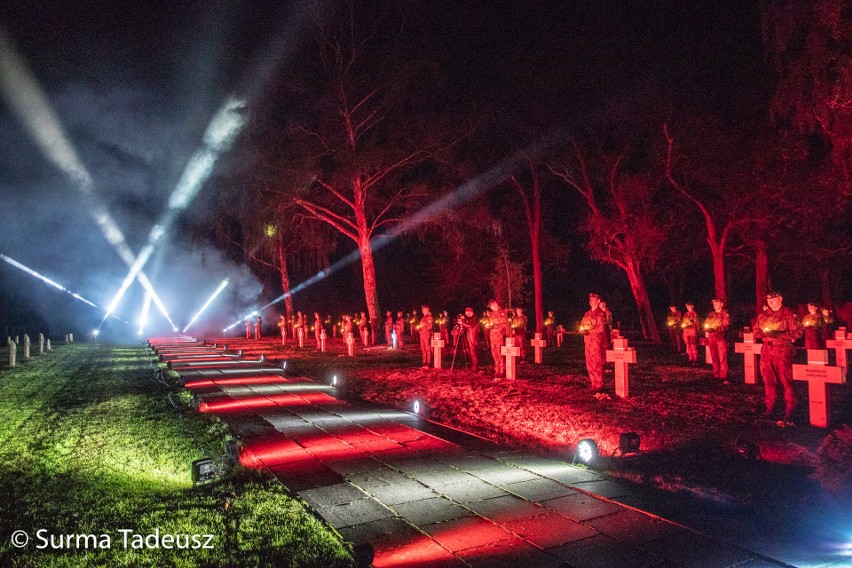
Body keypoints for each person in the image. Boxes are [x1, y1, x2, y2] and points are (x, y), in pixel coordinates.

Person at [754, 291, 802, 424]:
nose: (771, 302)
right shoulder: (764, 315)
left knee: (786, 380)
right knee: (768, 380)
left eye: (774, 300)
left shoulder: (788, 314)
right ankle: (770, 407)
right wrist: (763, 334)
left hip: (782, 350)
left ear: (780, 299)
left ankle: (790, 409)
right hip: (767, 351)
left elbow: (798, 332)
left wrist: (779, 335)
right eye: (769, 300)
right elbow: (756, 330)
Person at [579, 293, 608, 392]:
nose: (590, 301)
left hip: (596, 341)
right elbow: (582, 324)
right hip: (587, 341)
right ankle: (593, 383)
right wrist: (582, 330)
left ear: (598, 301)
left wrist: (589, 331)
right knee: (589, 362)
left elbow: (601, 328)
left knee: (597, 362)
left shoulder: (601, 314)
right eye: (590, 299)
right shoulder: (587, 313)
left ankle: (599, 383)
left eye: (593, 299)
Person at [703, 299, 731, 383]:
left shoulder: (724, 314)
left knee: (722, 357)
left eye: (717, 303)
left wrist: (715, 329)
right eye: (714, 304)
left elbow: (726, 325)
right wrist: (707, 328)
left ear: (721, 304)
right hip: (712, 338)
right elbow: (706, 323)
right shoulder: (711, 314)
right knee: (714, 356)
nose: (715, 305)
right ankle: (716, 374)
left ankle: (723, 375)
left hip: (721, 338)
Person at [487, 299, 509, 379]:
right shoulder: (491, 314)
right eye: (490, 307)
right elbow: (490, 323)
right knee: (494, 352)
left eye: (491, 306)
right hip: (492, 335)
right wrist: (489, 326)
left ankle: (502, 370)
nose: (491, 308)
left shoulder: (502, 312)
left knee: (500, 353)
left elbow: (505, 324)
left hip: (499, 335)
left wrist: (497, 325)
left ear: (495, 303)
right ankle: (497, 370)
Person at [459, 307, 480, 371]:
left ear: (471, 312)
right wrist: (462, 325)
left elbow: (471, 326)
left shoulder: (475, 318)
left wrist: (462, 323)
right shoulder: (469, 318)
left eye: (467, 313)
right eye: (466, 313)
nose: (466, 314)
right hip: (469, 335)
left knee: (473, 351)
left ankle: (475, 367)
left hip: (473, 336)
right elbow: (466, 327)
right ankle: (473, 366)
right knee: (470, 351)